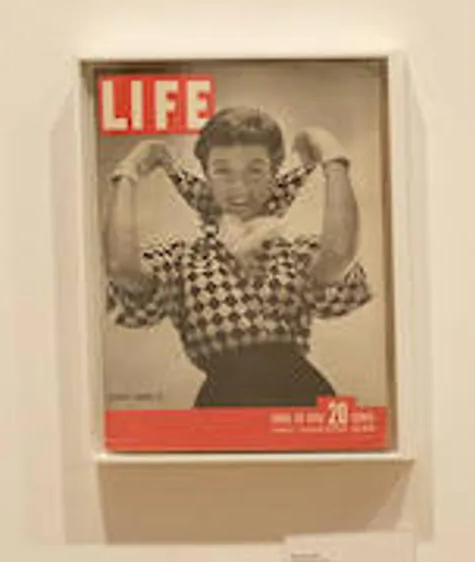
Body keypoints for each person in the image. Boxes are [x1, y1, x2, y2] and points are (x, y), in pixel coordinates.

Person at [102, 107, 373, 408]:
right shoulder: (182, 261)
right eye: (222, 170)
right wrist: (128, 172)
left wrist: (332, 157)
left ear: (274, 176)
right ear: (206, 176)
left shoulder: (295, 255)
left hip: (301, 398)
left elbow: (338, 254)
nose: (239, 186)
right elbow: (120, 267)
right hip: (223, 402)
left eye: (255, 170)